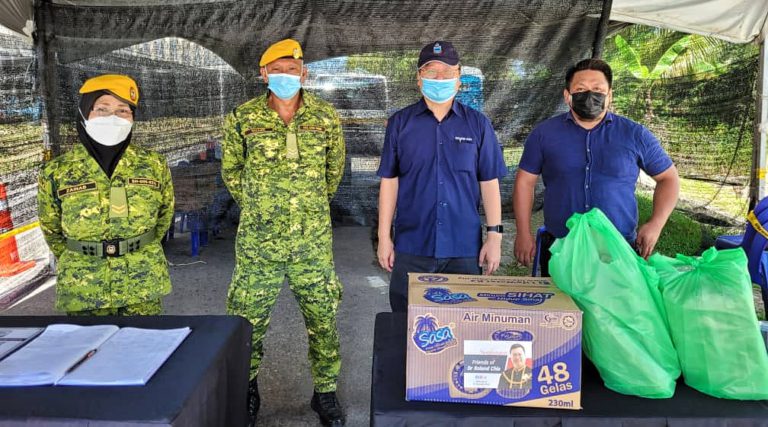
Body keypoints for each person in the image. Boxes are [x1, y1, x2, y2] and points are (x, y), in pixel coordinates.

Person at [221, 39, 346, 426]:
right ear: (263, 75)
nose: (286, 76)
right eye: (277, 70)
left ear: (304, 73)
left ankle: (324, 392)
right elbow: (231, 172)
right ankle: (248, 389)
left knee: (323, 318)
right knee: (247, 321)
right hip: (260, 244)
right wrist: (263, 208)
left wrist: (303, 208)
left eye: (292, 70)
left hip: (312, 244)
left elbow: (333, 175)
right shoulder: (242, 119)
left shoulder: (325, 118)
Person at [513, 58, 680, 275]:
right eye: (581, 89)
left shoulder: (634, 134)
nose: (590, 95)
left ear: (609, 95)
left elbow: (669, 178)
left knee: (615, 308)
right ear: (567, 96)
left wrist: (656, 223)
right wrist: (523, 233)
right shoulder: (544, 134)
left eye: (598, 89)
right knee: (560, 308)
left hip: (617, 250)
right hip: (562, 247)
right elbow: (525, 182)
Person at [377, 41, 508, 313]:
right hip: (412, 244)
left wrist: (494, 237)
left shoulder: (478, 124)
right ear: (419, 79)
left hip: (462, 246)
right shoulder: (400, 123)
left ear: (459, 79)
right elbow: (389, 182)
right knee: (407, 326)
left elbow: (489, 182)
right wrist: (384, 237)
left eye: (448, 72)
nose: (440, 78)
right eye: (431, 72)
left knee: (462, 328)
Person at [37, 74, 174, 316]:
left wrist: (136, 248)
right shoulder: (56, 171)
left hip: (141, 282)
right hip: (84, 286)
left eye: (123, 111)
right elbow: (52, 229)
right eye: (102, 109)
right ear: (84, 114)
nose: (114, 118)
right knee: (88, 352)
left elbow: (164, 217)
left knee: (144, 349)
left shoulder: (154, 164)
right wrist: (87, 254)